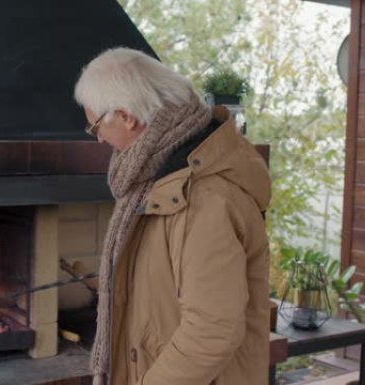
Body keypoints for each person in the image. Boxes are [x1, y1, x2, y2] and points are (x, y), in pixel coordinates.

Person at [74, 47, 271, 385]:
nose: (99, 138)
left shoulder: (206, 201)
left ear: (126, 116)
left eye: (95, 126)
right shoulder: (158, 179)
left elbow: (211, 331)